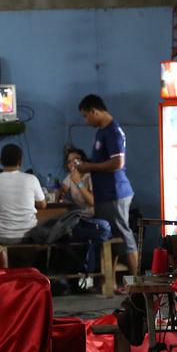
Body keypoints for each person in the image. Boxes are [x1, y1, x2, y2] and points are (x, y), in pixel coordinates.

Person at [74, 94, 139, 275]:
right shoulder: (101, 132)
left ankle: (139, 283)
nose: (86, 121)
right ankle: (110, 282)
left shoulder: (113, 131)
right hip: (104, 195)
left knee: (125, 238)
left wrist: (89, 167)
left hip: (115, 193)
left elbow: (118, 163)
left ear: (94, 111)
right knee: (108, 239)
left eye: (86, 116)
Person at [0, 143, 45, 244]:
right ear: (20, 161)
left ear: (1, 161)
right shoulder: (31, 179)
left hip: (2, 237)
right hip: (29, 236)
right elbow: (42, 205)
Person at [60, 146, 95, 215]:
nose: (72, 164)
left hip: (93, 216)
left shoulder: (90, 176)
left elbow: (92, 202)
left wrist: (78, 182)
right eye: (69, 161)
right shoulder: (70, 176)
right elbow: (62, 188)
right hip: (80, 215)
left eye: (76, 160)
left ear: (83, 162)